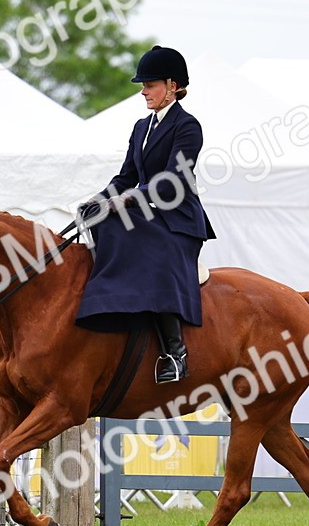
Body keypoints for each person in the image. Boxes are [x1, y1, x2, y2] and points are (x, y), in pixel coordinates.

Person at [76, 45, 216, 383]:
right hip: (145, 211)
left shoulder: (187, 126)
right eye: (143, 86)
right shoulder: (141, 127)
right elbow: (126, 176)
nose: (143, 92)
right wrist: (100, 198)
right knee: (104, 223)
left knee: (153, 254)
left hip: (178, 219)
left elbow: (174, 180)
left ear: (172, 85)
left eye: (149, 85)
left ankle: (175, 352)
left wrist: (130, 199)